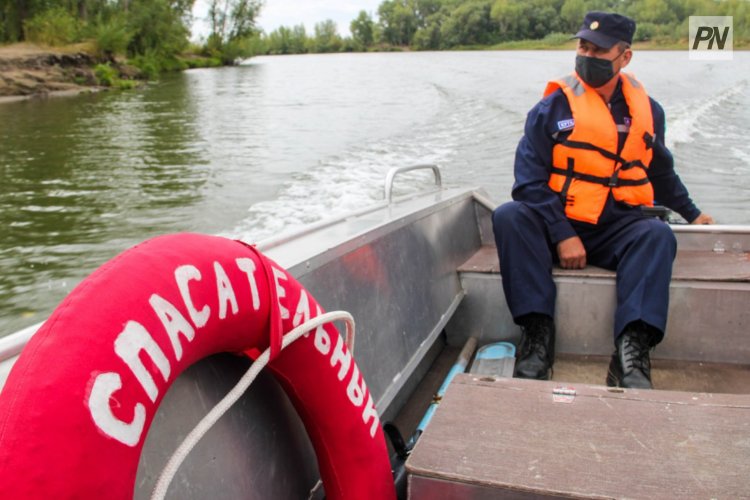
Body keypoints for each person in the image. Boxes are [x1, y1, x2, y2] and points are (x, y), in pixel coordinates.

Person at [492, 11, 714, 389]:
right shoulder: (551, 108)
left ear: (624, 57)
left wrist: (693, 214)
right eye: (583, 46)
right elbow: (528, 182)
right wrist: (562, 234)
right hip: (556, 222)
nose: (587, 56)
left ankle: (631, 351)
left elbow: (658, 173)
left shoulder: (648, 111)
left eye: (598, 49)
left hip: (614, 226)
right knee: (510, 215)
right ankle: (537, 335)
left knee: (657, 235)